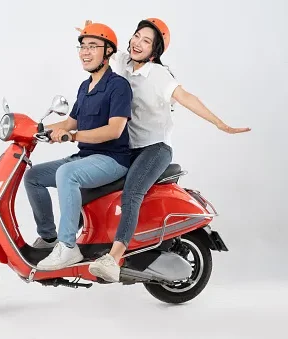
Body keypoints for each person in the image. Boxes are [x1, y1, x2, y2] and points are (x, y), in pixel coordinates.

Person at [73, 18, 251, 282]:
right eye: (136, 36)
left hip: (153, 149)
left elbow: (186, 98)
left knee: (131, 193)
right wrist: (91, 35)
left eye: (146, 41)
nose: (138, 43)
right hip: (124, 149)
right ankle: (70, 246)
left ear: (154, 51)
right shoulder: (122, 62)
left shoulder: (158, 75)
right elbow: (104, 49)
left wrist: (220, 124)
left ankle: (113, 258)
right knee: (80, 177)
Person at [24, 23, 133, 271]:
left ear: (107, 52)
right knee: (33, 176)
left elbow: (114, 130)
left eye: (93, 46)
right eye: (82, 46)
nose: (85, 52)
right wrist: (37, 129)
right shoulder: (85, 87)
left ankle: (68, 246)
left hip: (112, 160)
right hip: (85, 157)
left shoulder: (118, 86)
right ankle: (50, 238)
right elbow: (70, 121)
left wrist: (72, 136)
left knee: (66, 174)